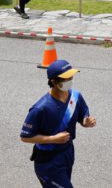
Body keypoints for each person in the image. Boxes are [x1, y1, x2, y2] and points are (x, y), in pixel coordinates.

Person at [20, 59, 97, 188]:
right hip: (48, 161)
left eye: (71, 76)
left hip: (67, 154)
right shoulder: (41, 108)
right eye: (66, 78)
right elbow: (25, 136)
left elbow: (82, 116)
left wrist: (86, 122)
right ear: (54, 82)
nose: (70, 80)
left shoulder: (75, 96)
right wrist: (53, 139)